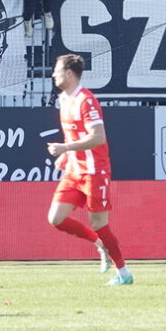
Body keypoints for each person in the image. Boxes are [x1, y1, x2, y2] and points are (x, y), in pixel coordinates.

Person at [45, 53, 132, 286]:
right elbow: (73, 131)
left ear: (69, 73)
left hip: (95, 172)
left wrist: (66, 147)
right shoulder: (64, 99)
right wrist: (67, 155)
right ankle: (99, 244)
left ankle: (124, 274)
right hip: (75, 171)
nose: (53, 74)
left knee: (99, 223)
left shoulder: (87, 100)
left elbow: (98, 137)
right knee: (56, 218)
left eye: (57, 70)